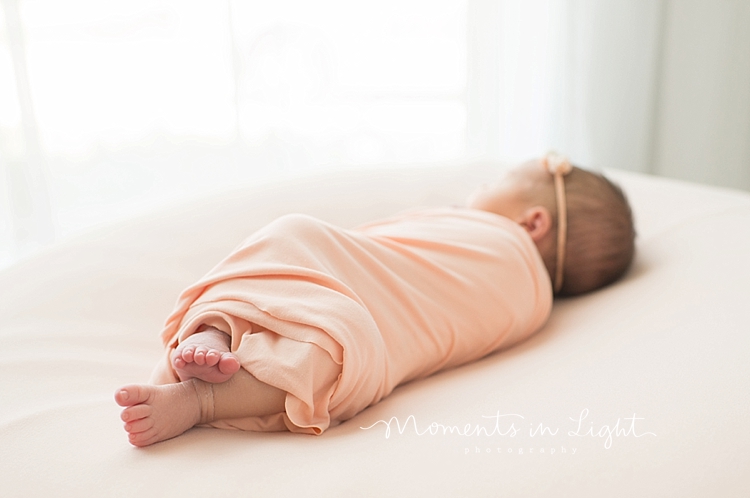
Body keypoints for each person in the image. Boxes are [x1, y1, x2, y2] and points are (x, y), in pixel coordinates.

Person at [115, 154, 635, 447]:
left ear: (533, 223)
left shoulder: (491, 237)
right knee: (337, 348)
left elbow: (387, 261)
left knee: (294, 244)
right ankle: (214, 343)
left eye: (495, 182)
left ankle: (201, 387)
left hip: (364, 313)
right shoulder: (535, 310)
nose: (478, 188)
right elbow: (383, 249)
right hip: (362, 324)